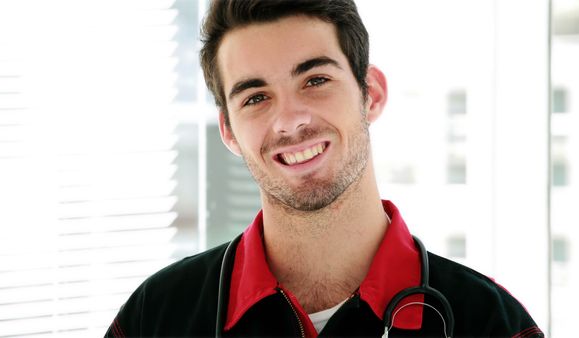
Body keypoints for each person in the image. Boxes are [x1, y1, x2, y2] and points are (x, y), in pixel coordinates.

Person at [105, 0, 544, 337]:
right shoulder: (156, 315)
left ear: (370, 93)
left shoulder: (493, 323)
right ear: (229, 132)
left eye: (315, 80)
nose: (290, 120)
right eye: (255, 98)